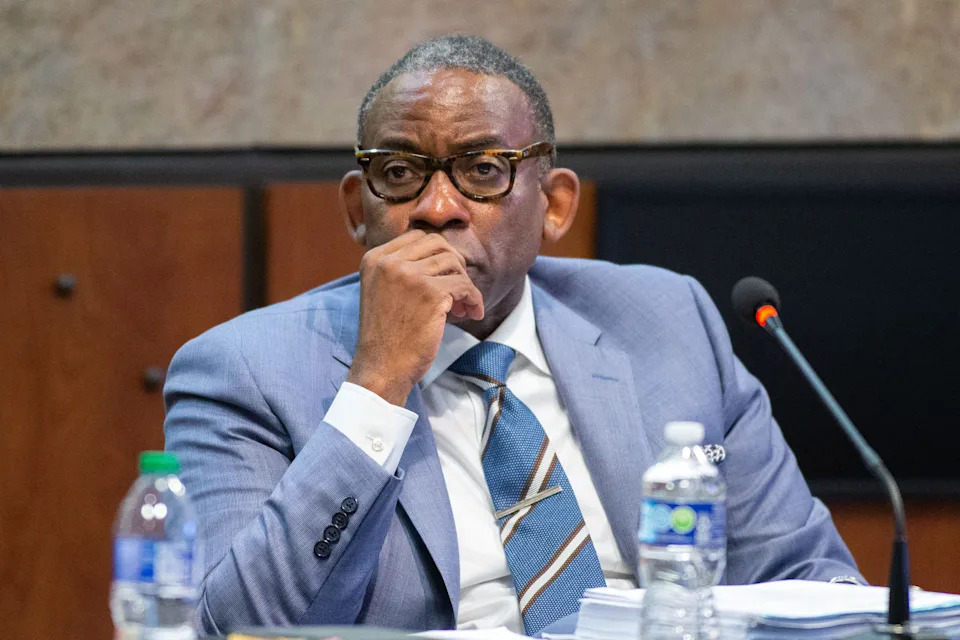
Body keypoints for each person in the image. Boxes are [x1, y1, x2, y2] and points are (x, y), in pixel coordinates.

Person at [163, 35, 863, 637]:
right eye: (400, 174)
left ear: (555, 204)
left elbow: (805, 574)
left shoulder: (666, 320)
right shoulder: (241, 372)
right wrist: (377, 387)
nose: (437, 209)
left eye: (482, 171)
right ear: (360, 209)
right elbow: (243, 627)